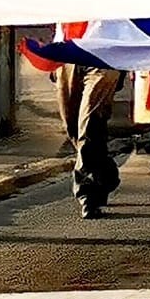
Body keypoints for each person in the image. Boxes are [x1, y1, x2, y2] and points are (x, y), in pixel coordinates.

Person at [55, 60, 121, 219]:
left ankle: (88, 194)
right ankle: (106, 174)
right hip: (68, 55)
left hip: (103, 57)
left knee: (89, 123)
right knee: (72, 126)